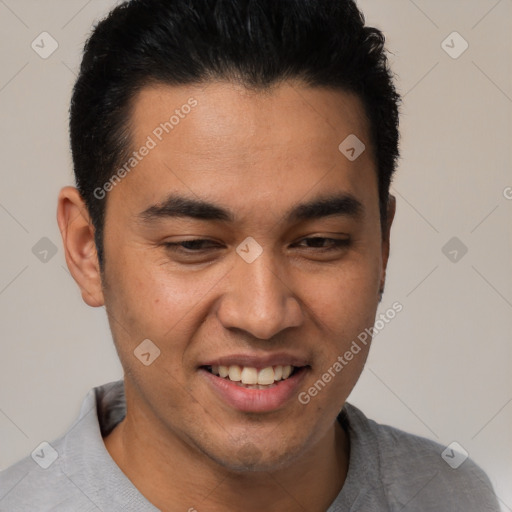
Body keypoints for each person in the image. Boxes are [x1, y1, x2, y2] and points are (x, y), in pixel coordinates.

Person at [0, 1, 500, 510]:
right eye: (193, 244)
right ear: (87, 251)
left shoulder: (454, 495)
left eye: (319, 241)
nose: (263, 316)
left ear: (383, 246)